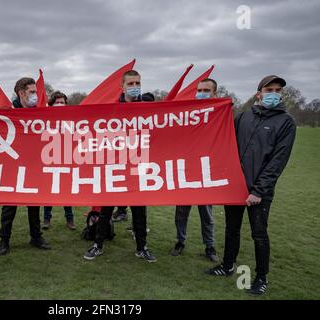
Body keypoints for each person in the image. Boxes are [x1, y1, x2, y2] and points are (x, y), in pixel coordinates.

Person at [206, 75, 296, 296]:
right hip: (236, 186)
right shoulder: (244, 117)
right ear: (259, 93)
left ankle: (261, 277)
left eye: (277, 90)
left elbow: (278, 161)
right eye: (269, 89)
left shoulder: (286, 122)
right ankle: (227, 266)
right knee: (232, 229)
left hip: (259, 192)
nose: (273, 93)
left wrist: (258, 190)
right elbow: (225, 144)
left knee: (259, 234)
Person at [83, 70, 157, 262]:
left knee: (139, 213)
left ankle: (142, 247)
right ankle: (97, 245)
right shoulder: (113, 109)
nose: (134, 87)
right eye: (130, 84)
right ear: (122, 87)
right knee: (105, 211)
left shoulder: (148, 107)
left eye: (137, 83)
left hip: (137, 167)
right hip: (114, 168)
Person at [0, 77, 50, 255]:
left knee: (35, 204)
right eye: (32, 92)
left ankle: (36, 236)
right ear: (21, 93)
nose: (36, 95)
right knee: (9, 206)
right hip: (13, 167)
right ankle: (4, 239)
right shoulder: (8, 113)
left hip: (33, 166)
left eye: (36, 91)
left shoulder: (39, 113)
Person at [170, 78, 219, 262]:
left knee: (207, 214)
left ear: (214, 93)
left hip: (206, 172)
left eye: (206, 90)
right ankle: (180, 241)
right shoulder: (186, 114)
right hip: (186, 171)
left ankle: (210, 246)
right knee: (181, 213)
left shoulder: (219, 114)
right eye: (199, 89)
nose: (201, 93)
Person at [42, 91, 76, 230]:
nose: (60, 105)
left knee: (66, 191)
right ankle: (46, 219)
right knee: (49, 191)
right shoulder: (46, 121)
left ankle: (70, 219)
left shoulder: (71, 121)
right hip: (50, 160)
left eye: (62, 102)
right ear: (51, 105)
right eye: (57, 102)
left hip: (66, 159)